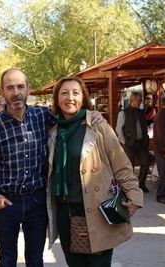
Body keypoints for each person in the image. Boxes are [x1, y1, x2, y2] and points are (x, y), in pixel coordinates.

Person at [0, 68, 103, 266]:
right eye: (10, 87)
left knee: (36, 260)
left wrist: (91, 114)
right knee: (7, 259)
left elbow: (71, 118)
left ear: (28, 89)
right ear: (2, 92)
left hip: (37, 201)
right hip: (6, 202)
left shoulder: (44, 116)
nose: (16, 92)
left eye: (20, 86)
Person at [47, 76, 143, 266]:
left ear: (83, 97)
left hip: (97, 210)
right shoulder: (53, 130)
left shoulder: (98, 126)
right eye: (64, 93)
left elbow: (121, 164)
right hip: (65, 212)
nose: (70, 98)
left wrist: (135, 196)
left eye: (76, 93)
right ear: (57, 99)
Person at [116, 92, 150, 193]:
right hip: (129, 144)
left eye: (141, 100)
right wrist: (124, 142)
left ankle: (141, 184)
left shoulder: (141, 112)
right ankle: (130, 186)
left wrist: (146, 139)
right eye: (139, 100)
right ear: (132, 100)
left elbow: (144, 128)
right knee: (129, 166)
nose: (140, 102)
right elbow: (119, 129)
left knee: (145, 163)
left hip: (142, 143)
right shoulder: (123, 113)